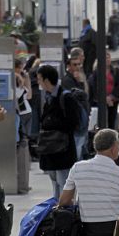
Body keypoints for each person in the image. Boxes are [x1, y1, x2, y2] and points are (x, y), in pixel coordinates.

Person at [37, 64, 80, 197]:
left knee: (64, 182)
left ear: (46, 80)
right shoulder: (48, 97)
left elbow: (74, 122)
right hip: (50, 150)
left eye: (39, 79)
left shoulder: (65, 97)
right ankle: (57, 210)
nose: (38, 82)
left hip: (63, 149)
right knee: (55, 182)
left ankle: (64, 211)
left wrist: (52, 123)